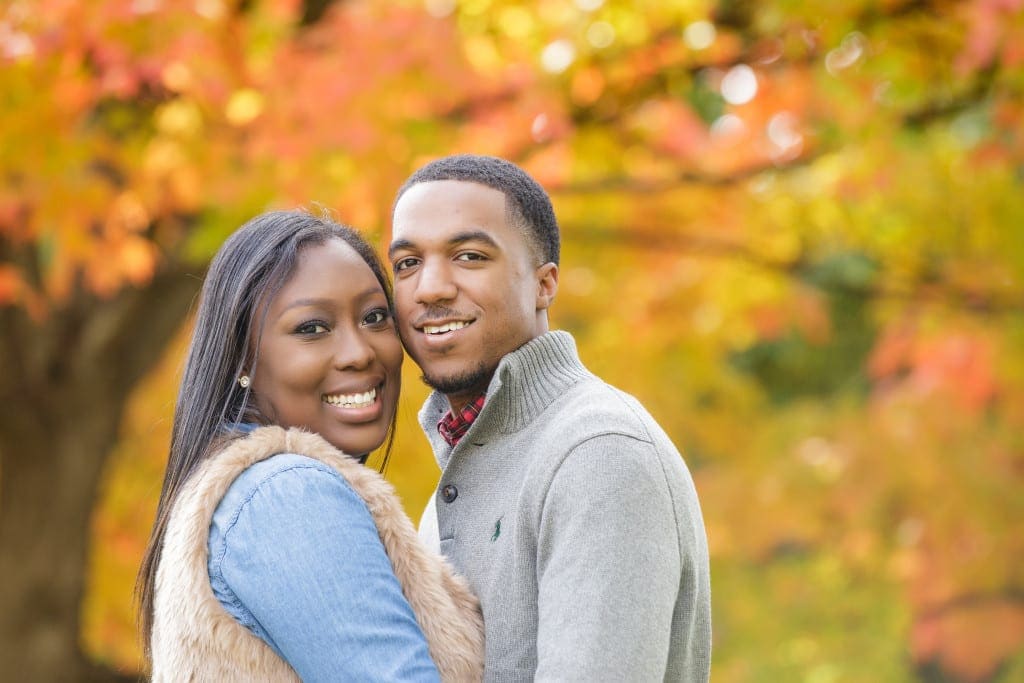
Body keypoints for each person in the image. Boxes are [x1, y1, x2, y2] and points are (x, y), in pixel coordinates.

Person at [388, 154, 712, 681]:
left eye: (469, 256)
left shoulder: (599, 453)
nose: (430, 288)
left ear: (545, 284)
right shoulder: (456, 480)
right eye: (407, 264)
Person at [135, 210, 483, 682]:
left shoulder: (236, 491)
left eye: (375, 317)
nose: (359, 352)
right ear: (243, 358)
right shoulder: (288, 494)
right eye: (311, 328)